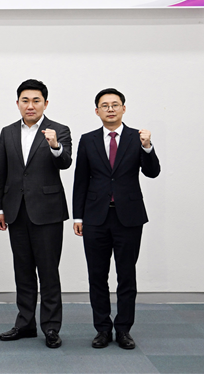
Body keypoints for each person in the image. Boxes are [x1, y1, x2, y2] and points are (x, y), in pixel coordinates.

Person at [73, 88, 160, 350]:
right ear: (96, 111)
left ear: (123, 108)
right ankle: (102, 328)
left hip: (128, 218)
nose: (110, 109)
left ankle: (123, 329)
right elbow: (81, 180)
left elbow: (153, 172)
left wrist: (147, 147)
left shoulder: (137, 138)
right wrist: (78, 216)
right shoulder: (88, 140)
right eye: (105, 105)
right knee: (97, 276)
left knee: (126, 275)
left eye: (115, 104)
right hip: (95, 217)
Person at [0, 79, 72, 348]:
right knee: (23, 270)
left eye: (36, 101)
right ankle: (25, 323)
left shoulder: (59, 130)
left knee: (48, 272)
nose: (30, 105)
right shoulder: (7, 132)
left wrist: (55, 145)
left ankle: (51, 327)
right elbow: (1, 172)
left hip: (47, 212)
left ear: (45, 104)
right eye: (25, 101)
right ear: (17, 103)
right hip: (16, 211)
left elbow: (65, 162)